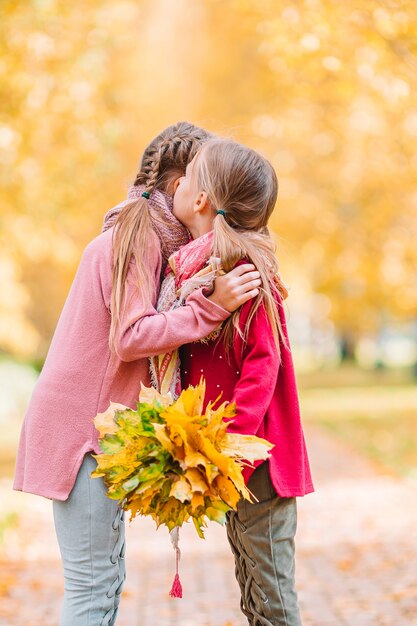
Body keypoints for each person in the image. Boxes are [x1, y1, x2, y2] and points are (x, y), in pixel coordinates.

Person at [13, 122, 262, 626]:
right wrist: (210, 309)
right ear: (180, 188)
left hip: (92, 429)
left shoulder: (149, 236)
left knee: (103, 581)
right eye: (201, 177)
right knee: (93, 588)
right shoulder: (138, 237)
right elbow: (130, 335)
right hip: (81, 434)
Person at [151, 137, 314, 626]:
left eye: (191, 173)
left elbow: (264, 366)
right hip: (232, 463)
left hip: (258, 464)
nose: (179, 182)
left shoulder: (247, 271)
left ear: (202, 198)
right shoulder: (200, 273)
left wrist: (230, 452)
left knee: (272, 595)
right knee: (252, 586)